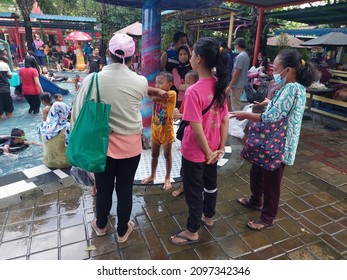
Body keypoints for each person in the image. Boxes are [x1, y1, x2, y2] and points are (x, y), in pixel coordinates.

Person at [71, 33, 151, 243]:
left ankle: (100, 226)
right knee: (125, 189)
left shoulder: (93, 79)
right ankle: (123, 230)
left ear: (108, 53)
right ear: (133, 57)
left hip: (102, 148)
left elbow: (77, 113)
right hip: (131, 147)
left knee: (104, 188)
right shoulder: (141, 81)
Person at [230, 49, 319, 230]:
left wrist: (245, 115)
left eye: (277, 69)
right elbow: (281, 108)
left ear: (289, 70)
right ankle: (255, 201)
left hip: (279, 145)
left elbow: (271, 117)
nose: (274, 73)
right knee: (257, 171)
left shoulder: (292, 88)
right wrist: (268, 103)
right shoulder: (291, 87)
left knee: (271, 183)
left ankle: (267, 217)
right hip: (272, 142)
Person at [169, 37, 229, 246]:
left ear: (199, 59)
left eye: (193, 54)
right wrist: (218, 149)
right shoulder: (218, 84)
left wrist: (207, 152)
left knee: (194, 191)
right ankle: (208, 217)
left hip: (196, 152)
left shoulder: (194, 90)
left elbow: (195, 127)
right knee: (210, 186)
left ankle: (192, 230)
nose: (191, 57)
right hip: (213, 149)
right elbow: (224, 120)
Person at [141, 71, 177, 190]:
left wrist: (151, 94)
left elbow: (153, 97)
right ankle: (152, 175)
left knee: (167, 155)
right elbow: (147, 90)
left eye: (161, 83)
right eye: (156, 83)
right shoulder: (158, 91)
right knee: (154, 155)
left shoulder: (171, 94)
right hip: (155, 130)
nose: (157, 85)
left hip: (167, 131)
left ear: (170, 84)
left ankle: (167, 177)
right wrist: (155, 90)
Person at [171, 70, 199, 197]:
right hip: (188, 133)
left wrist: (181, 115)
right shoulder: (189, 93)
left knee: (192, 166)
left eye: (189, 83)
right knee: (186, 164)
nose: (186, 86)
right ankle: (185, 186)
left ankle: (190, 189)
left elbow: (196, 117)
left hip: (195, 134)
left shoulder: (195, 94)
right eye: (185, 83)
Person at [38, 101, 71, 168]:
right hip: (65, 163)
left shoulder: (41, 125)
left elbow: (41, 141)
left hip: (47, 162)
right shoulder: (67, 127)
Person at [226, 37, 250, 111]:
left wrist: (230, 85)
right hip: (242, 83)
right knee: (237, 104)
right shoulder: (246, 55)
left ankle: (236, 121)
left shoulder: (240, 57)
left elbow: (237, 72)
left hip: (237, 84)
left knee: (235, 106)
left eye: (235, 45)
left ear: (237, 45)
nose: (234, 47)